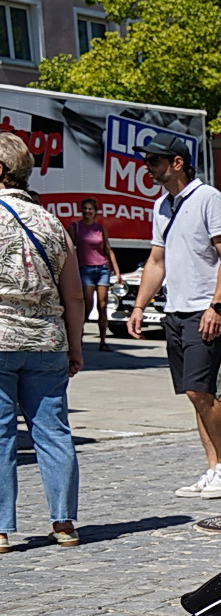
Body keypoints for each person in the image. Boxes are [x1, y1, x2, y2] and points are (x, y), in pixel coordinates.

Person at [127, 132, 221, 499]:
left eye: (155, 161)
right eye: (147, 161)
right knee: (197, 394)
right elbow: (156, 261)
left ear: (177, 162)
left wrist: (216, 304)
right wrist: (139, 305)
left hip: (204, 309)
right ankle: (214, 468)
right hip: (175, 310)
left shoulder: (208, 198)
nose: (148, 167)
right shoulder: (161, 206)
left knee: (199, 389)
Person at [0, 133, 82, 551]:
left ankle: (0, 529)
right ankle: (64, 523)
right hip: (48, 341)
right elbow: (74, 295)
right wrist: (76, 346)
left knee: (0, 435)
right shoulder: (52, 223)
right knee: (53, 432)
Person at [70, 199, 122, 352]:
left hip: (102, 269)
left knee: (103, 305)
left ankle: (103, 341)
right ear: (81, 210)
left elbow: (108, 249)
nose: (88, 211)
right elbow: (69, 250)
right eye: (85, 208)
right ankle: (78, 338)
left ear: (95, 211)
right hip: (84, 269)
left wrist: (117, 271)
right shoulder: (76, 227)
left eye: (90, 209)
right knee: (87, 305)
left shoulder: (100, 228)